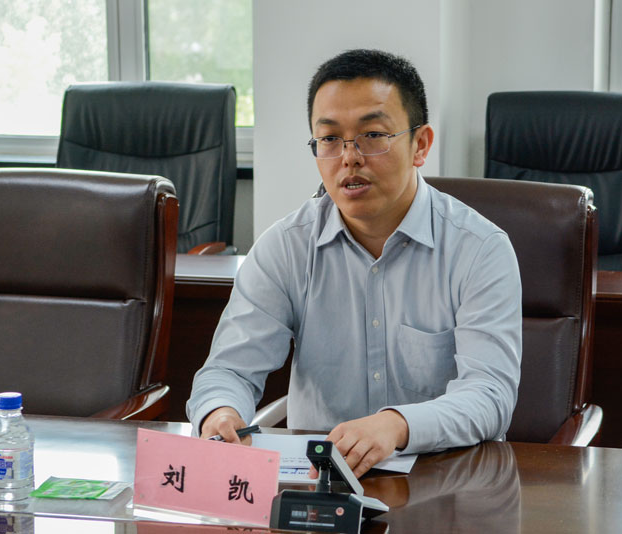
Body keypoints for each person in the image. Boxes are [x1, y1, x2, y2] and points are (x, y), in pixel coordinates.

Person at [187, 49, 522, 478]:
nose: (349, 157)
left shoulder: (479, 249)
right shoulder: (286, 247)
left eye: (373, 135)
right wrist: (220, 412)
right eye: (329, 139)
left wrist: (397, 426)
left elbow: (490, 395)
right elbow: (229, 369)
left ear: (420, 145)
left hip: (446, 483)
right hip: (319, 485)